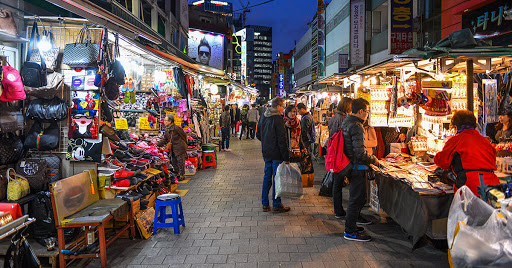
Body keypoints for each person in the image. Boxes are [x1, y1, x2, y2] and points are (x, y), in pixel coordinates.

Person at [434, 110, 500, 196]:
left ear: (456, 126)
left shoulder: (455, 140)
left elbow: (442, 162)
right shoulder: (485, 141)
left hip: (469, 187)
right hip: (492, 186)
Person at [341, 98, 380, 242]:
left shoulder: (346, 122)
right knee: (357, 199)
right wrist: (373, 159)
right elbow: (360, 153)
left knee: (356, 197)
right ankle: (349, 231)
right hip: (357, 167)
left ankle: (351, 225)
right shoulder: (356, 125)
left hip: (350, 166)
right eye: (367, 111)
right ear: (361, 111)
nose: (368, 114)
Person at [256, 97, 290, 213]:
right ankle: (276, 204)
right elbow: (282, 140)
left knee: (267, 178)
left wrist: (266, 143)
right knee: (276, 178)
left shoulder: (263, 117)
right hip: (276, 154)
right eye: (283, 106)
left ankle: (265, 204)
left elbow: (258, 135)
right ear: (278, 106)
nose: (283, 109)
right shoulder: (278, 119)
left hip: (266, 153)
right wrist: (286, 157)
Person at [327, 97, 352, 218]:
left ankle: (338, 209)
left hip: (334, 152)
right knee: (342, 182)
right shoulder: (344, 119)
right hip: (341, 154)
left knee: (337, 184)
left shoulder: (333, 118)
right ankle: (340, 210)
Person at [157, 114, 188, 181]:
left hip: (179, 147)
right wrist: (157, 145)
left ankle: (182, 175)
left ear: (170, 121)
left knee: (180, 162)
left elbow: (184, 136)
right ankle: (177, 173)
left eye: (165, 120)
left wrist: (184, 144)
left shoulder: (176, 128)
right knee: (173, 161)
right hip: (173, 148)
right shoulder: (167, 129)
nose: (164, 122)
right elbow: (165, 139)